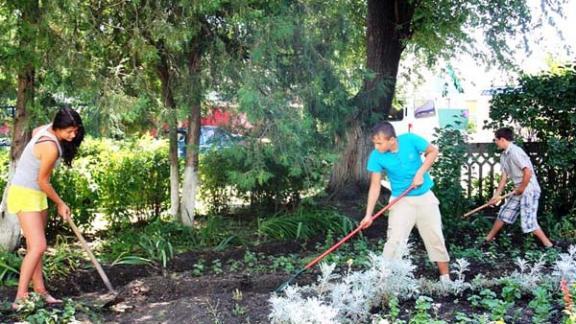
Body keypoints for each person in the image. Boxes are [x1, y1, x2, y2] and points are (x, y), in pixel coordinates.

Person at [7, 108, 84, 310]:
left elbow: (34, 133)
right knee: (39, 246)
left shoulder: (45, 129)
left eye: (75, 131)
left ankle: (40, 290)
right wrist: (60, 203)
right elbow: (43, 180)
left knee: (36, 246)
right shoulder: (50, 146)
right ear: (57, 128)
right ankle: (20, 297)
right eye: (69, 131)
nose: (73, 135)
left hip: (36, 194)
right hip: (25, 192)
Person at [360, 121, 451, 282]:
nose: (376, 147)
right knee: (394, 241)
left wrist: (420, 173)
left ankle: (446, 278)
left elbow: (433, 151)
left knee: (435, 237)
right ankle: (385, 281)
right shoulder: (376, 156)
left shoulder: (410, 140)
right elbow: (375, 186)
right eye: (374, 143)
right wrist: (368, 215)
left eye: (379, 143)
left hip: (425, 197)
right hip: (400, 200)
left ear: (392, 140)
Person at [481, 127, 553, 248]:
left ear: (502, 139)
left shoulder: (515, 152)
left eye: (496, 140)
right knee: (504, 214)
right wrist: (496, 196)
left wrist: (521, 188)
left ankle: (549, 245)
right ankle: (487, 240)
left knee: (528, 222)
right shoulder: (504, 155)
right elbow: (504, 178)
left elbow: (528, 172)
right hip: (519, 189)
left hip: (529, 189)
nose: (495, 142)